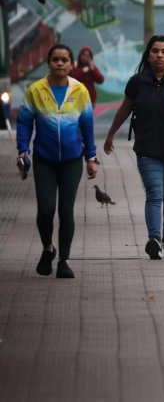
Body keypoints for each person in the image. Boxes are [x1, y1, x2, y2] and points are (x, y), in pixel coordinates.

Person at [102, 35, 164, 260]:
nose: (159, 55)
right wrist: (110, 135)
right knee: (155, 194)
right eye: (155, 51)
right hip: (148, 151)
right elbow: (124, 110)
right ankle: (154, 239)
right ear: (148, 55)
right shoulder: (137, 82)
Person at [16, 44, 98, 279]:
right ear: (49, 63)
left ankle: (64, 260)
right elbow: (24, 122)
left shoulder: (80, 91)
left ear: (71, 64)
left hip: (72, 161)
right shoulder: (35, 90)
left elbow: (87, 127)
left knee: (65, 209)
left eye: (64, 60)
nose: (60, 63)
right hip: (44, 160)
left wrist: (91, 158)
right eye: (55, 59)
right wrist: (22, 150)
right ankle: (47, 248)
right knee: (46, 209)